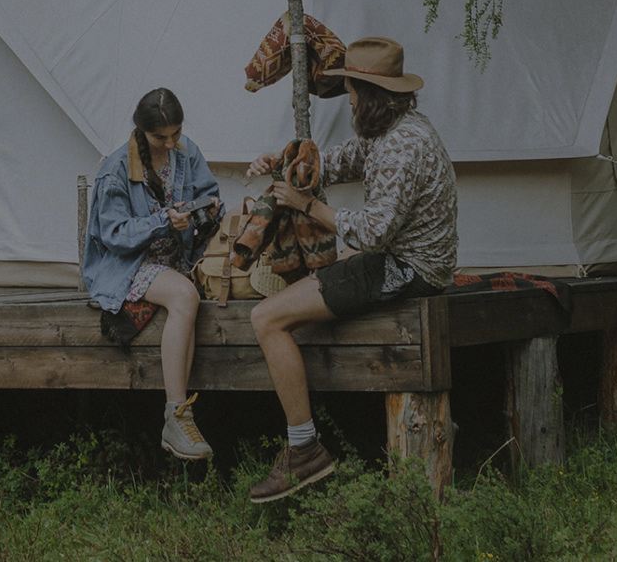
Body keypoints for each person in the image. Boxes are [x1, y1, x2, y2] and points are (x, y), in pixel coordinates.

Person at [243, 36, 457, 502]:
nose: (349, 99)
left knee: (266, 318)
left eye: (352, 91)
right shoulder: (392, 129)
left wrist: (304, 205)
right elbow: (339, 163)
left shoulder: (402, 146)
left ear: (370, 94)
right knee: (307, 286)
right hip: (405, 260)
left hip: (407, 269)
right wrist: (286, 162)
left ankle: (304, 450)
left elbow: (372, 233)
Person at [80, 87, 224, 461]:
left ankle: (179, 418)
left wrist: (208, 209)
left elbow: (210, 193)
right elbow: (114, 236)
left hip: (179, 258)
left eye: (176, 133)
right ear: (142, 131)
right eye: (161, 137)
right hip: (129, 263)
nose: (171, 143)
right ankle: (176, 415)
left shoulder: (186, 151)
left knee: (199, 288)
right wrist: (163, 220)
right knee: (185, 295)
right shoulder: (116, 169)